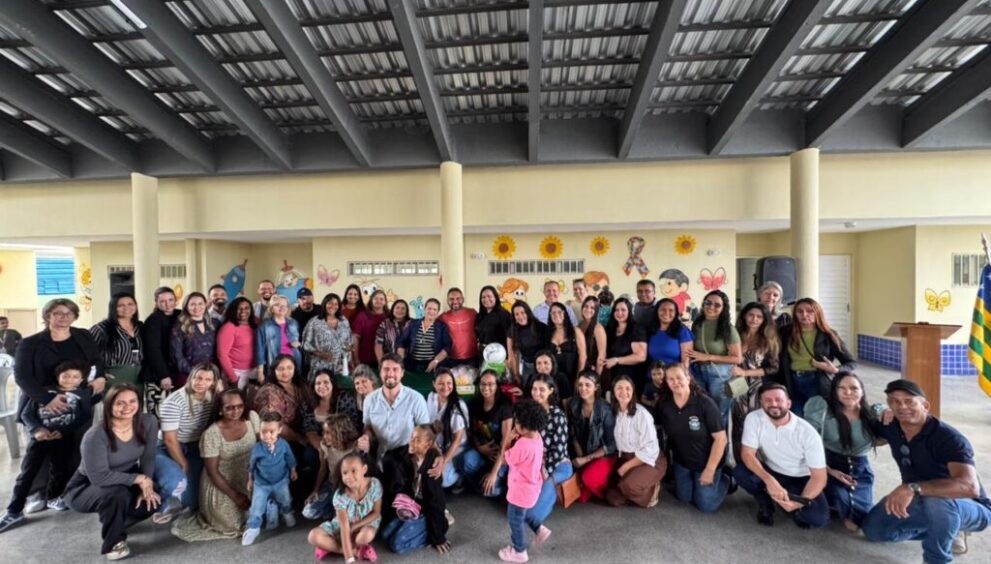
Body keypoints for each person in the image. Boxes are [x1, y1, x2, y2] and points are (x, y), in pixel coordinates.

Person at [862, 379, 991, 563]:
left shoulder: (949, 438)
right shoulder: (892, 426)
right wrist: (880, 409)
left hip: (967, 505)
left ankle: (936, 558)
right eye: (895, 401)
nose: (902, 407)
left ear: (925, 406)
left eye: (909, 401)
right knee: (874, 530)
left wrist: (911, 488)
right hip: (920, 498)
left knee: (937, 502)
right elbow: (866, 411)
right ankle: (948, 528)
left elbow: (969, 487)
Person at [13, 298, 104, 514]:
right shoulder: (31, 343)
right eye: (58, 313)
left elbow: (96, 361)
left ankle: (66, 491)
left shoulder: (83, 335)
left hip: (77, 401)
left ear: (74, 316)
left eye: (68, 313)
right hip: (41, 403)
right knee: (41, 448)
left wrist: (99, 378)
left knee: (74, 446)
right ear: (48, 315)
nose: (64, 317)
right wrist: (47, 399)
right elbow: (22, 376)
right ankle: (37, 492)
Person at [63, 385, 160, 560]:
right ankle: (114, 542)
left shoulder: (148, 422)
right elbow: (99, 477)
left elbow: (148, 456)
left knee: (154, 496)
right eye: (120, 403)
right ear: (109, 405)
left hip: (124, 476)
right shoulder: (95, 435)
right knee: (116, 494)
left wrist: (147, 484)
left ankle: (118, 520)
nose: (127, 407)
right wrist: (139, 478)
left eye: (132, 401)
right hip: (85, 486)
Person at [0, 360, 97, 532]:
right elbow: (26, 414)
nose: (70, 379)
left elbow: (84, 416)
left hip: (63, 438)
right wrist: (37, 430)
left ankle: (53, 497)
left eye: (75, 376)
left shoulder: (82, 395)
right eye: (65, 376)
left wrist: (64, 431)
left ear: (82, 379)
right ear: (57, 376)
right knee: (28, 472)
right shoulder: (44, 392)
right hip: (40, 439)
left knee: (60, 470)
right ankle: (14, 509)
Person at [170, 388, 260, 542]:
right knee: (231, 525)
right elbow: (212, 472)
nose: (236, 411)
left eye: (239, 406)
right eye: (229, 408)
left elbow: (262, 447)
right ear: (220, 409)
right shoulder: (211, 434)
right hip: (222, 481)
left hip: (249, 475)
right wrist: (235, 496)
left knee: (262, 510)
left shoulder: (251, 418)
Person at [734, 383, 829, 528]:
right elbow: (747, 454)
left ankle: (793, 508)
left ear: (789, 403)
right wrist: (769, 480)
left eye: (779, 400)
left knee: (818, 518)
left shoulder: (808, 433)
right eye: (768, 400)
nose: (773, 404)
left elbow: (819, 477)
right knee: (741, 473)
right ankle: (765, 502)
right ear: (761, 403)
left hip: (800, 477)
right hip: (771, 470)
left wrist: (798, 504)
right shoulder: (753, 418)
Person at [804, 371, 881, 531]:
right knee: (840, 498)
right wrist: (829, 471)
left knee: (863, 518)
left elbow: (888, 417)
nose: (848, 392)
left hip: (860, 468)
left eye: (854, 388)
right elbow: (807, 445)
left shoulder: (872, 414)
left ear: (862, 391)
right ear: (835, 391)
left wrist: (886, 412)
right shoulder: (822, 410)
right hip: (829, 464)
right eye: (842, 388)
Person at [357, 353, 431, 503]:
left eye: (395, 369)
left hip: (408, 457)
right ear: (380, 372)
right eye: (386, 369)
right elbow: (368, 427)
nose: (390, 374)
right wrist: (365, 437)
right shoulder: (370, 400)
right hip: (381, 457)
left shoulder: (416, 399)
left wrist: (425, 461)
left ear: (402, 373)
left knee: (402, 500)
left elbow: (426, 433)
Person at [655, 364, 729, 513]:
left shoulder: (705, 403)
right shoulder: (664, 404)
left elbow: (721, 440)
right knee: (684, 498)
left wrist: (709, 470)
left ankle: (726, 479)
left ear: (688, 378)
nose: (676, 382)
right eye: (671, 379)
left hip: (706, 462)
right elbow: (656, 428)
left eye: (679, 378)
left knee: (705, 506)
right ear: (666, 382)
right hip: (682, 462)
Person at [153, 362, 219, 524]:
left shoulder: (212, 397)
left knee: (193, 501)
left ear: (213, 383)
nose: (201, 383)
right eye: (198, 378)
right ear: (191, 377)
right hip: (169, 446)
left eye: (207, 380)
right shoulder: (175, 401)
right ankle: (161, 502)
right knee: (175, 480)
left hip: (195, 446)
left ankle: (183, 497)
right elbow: (169, 439)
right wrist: (183, 463)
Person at [778, 297, 855, 417]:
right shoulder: (784, 333)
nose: (804, 315)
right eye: (800, 311)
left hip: (817, 383)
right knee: (795, 417)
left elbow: (850, 362)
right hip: (791, 382)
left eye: (809, 311)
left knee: (815, 419)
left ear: (817, 313)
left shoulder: (829, 334)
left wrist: (835, 370)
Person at [381, 424, 451, 555]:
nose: (411, 442)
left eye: (417, 440)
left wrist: (438, 537)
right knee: (385, 535)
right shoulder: (409, 454)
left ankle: (439, 528)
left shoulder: (433, 469)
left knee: (397, 545)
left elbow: (436, 503)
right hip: (413, 507)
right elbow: (390, 456)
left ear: (427, 445)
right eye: (412, 438)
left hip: (428, 511)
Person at [498, 399, 549, 563]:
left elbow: (504, 460)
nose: (515, 425)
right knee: (523, 513)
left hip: (520, 491)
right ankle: (539, 528)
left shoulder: (522, 445)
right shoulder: (537, 437)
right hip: (532, 487)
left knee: (514, 518)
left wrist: (507, 441)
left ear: (524, 427)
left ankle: (519, 551)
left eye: (517, 422)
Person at [308, 451, 383, 563]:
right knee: (313, 536)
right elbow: (344, 527)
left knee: (365, 536)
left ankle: (329, 547)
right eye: (345, 473)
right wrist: (350, 559)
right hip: (344, 525)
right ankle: (355, 552)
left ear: (364, 469)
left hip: (366, 523)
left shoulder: (374, 484)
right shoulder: (340, 496)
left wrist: (355, 526)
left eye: (354, 471)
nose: (349, 477)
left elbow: (376, 512)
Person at [730, 302, 781, 460]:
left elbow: (773, 368)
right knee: (738, 424)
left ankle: (758, 461)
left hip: (755, 387)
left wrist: (745, 372)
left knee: (755, 423)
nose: (754, 319)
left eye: (759, 317)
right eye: (751, 315)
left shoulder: (768, 339)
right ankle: (740, 461)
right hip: (735, 385)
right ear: (744, 316)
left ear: (764, 320)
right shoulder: (734, 334)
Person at [606, 376, 665, 508]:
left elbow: (650, 448)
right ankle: (636, 487)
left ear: (633, 391)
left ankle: (652, 488)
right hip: (625, 457)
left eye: (628, 388)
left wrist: (625, 467)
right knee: (613, 498)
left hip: (649, 459)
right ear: (613, 392)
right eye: (619, 388)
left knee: (628, 486)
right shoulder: (614, 412)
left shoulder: (642, 414)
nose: (623, 392)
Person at [253, 354, 321, 467]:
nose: (285, 372)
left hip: (308, 430)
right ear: (274, 370)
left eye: (289, 368)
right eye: (281, 369)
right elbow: (273, 423)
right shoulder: (269, 391)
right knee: (310, 455)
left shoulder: (300, 385)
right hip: (284, 438)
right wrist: (300, 438)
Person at [242, 411, 298, 546]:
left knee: (285, 499)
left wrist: (293, 470)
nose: (267, 436)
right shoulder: (257, 449)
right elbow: (251, 465)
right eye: (263, 432)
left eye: (271, 432)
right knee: (257, 506)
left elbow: (290, 458)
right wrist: (250, 480)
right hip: (261, 484)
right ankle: (253, 528)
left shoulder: (284, 445)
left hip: (281, 481)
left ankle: (287, 512)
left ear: (279, 430)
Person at [687, 290, 742, 423]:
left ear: (723, 308)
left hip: (719, 376)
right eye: (708, 303)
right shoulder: (697, 324)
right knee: (702, 411)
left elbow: (737, 358)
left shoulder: (728, 328)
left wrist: (708, 357)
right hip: (699, 373)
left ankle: (721, 438)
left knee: (719, 414)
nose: (711, 307)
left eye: (717, 305)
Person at [528, 374, 573, 527]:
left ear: (551, 391)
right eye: (534, 389)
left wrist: (542, 472)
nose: (537, 393)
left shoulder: (558, 416)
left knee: (532, 515)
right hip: (533, 464)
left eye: (542, 389)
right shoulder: (529, 412)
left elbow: (558, 452)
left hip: (557, 465)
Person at [461, 369, 513, 497]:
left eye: (490, 384)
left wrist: (494, 473)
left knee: (492, 491)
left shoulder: (505, 405)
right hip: (482, 452)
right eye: (483, 384)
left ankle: (498, 482)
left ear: (497, 385)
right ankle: (480, 482)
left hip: (500, 456)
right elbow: (472, 432)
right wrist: (480, 448)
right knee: (466, 461)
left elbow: (506, 442)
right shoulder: (474, 404)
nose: (486, 387)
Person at [568, 370, 616, 503]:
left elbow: (611, 445)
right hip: (583, 453)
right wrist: (580, 455)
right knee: (580, 497)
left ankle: (605, 482)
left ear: (596, 387)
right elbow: (573, 433)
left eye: (587, 385)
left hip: (603, 455)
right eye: (580, 384)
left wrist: (586, 459)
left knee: (588, 479)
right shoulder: (574, 404)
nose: (583, 388)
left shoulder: (605, 409)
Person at [303, 413, 359, 521]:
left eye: (328, 433)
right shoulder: (325, 447)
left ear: (340, 432)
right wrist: (315, 490)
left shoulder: (354, 449)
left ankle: (337, 511)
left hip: (347, 489)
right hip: (331, 486)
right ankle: (331, 509)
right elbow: (323, 469)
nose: (324, 436)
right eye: (324, 432)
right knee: (308, 512)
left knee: (340, 520)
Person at [89, 293, 144, 399]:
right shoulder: (101, 329)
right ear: (113, 308)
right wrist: (99, 374)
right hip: (114, 376)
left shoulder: (140, 326)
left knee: (134, 406)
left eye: (130, 304)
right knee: (114, 405)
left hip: (138, 377)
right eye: (120, 305)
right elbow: (88, 353)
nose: (126, 308)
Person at [427, 368, 469, 489]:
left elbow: (457, 440)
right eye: (441, 383)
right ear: (434, 384)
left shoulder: (457, 406)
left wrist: (443, 461)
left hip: (455, 448)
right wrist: (437, 452)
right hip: (437, 445)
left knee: (442, 479)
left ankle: (459, 476)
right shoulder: (431, 397)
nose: (445, 387)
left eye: (449, 383)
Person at [140, 287, 180, 414]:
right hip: (159, 375)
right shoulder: (153, 320)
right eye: (163, 301)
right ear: (156, 303)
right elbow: (153, 350)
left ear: (176, 300)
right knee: (160, 413)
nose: (167, 304)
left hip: (176, 372)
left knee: (175, 412)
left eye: (170, 300)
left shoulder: (180, 315)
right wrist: (163, 375)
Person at [601, 297, 647, 393]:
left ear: (629, 311)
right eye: (616, 310)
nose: (619, 313)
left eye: (623, 310)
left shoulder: (636, 329)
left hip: (631, 379)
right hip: (612, 379)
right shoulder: (609, 329)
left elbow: (641, 356)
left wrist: (617, 360)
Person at [170, 293, 216, 387]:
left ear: (205, 304)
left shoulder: (214, 323)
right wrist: (195, 372)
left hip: (210, 374)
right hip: (189, 375)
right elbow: (177, 356)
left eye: (200, 303)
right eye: (192, 304)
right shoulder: (179, 327)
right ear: (186, 306)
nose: (197, 307)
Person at [302, 293, 351, 380]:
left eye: (336, 304)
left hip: (340, 366)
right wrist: (320, 354)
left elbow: (348, 341)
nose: (333, 306)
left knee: (339, 387)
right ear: (324, 304)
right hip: (320, 366)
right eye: (330, 303)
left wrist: (348, 357)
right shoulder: (314, 322)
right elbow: (306, 345)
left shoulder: (343, 320)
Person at [396, 298, 451, 374]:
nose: (431, 311)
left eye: (435, 309)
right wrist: (401, 360)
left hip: (432, 366)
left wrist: (436, 361)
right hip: (412, 365)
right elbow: (401, 342)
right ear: (424, 309)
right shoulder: (413, 324)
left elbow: (447, 346)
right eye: (429, 308)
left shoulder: (442, 327)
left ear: (438, 312)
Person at [255, 295, 302, 379]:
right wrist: (260, 371)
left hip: (294, 362)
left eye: (284, 305)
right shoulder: (264, 325)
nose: (281, 307)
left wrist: (298, 344)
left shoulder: (294, 323)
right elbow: (260, 349)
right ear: (271, 308)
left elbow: (301, 342)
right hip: (275, 364)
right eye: (277, 305)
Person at [215, 296, 257, 389]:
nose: (243, 311)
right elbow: (222, 355)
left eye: (246, 308)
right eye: (239, 308)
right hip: (236, 372)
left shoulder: (255, 323)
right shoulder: (228, 327)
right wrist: (233, 377)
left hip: (254, 371)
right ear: (233, 310)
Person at [506, 301, 546, 394]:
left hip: (542, 366)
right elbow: (512, 355)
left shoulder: (541, 327)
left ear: (528, 312)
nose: (520, 316)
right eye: (516, 314)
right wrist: (516, 374)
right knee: (525, 391)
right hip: (527, 366)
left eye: (523, 312)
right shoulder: (512, 330)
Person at [545, 302, 586, 385]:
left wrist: (578, 377)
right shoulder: (548, 333)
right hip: (554, 377)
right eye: (553, 313)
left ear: (565, 314)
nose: (556, 315)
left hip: (572, 375)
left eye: (559, 312)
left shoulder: (575, 331)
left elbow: (583, 356)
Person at [439, 287, 478, 367]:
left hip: (473, 358)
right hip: (452, 359)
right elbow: (430, 322)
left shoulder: (472, 313)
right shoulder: (443, 317)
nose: (455, 301)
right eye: (451, 299)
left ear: (463, 299)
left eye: (458, 298)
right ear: (447, 301)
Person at [352, 289, 388, 370]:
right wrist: (356, 359)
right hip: (365, 358)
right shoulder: (362, 315)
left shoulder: (389, 316)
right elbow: (355, 337)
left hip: (385, 359)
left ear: (385, 302)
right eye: (376, 298)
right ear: (371, 300)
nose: (378, 301)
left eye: (381, 299)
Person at [476, 285, 512, 353]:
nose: (486, 299)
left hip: (499, 354)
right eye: (483, 297)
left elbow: (511, 337)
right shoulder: (480, 316)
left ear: (496, 297)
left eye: (489, 296)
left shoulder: (504, 315)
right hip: (483, 354)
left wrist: (510, 355)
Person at [577, 296, 606, 374]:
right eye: (586, 306)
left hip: (591, 371)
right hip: (578, 367)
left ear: (596, 311)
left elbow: (602, 355)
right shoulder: (580, 324)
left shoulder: (598, 328)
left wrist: (597, 376)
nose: (588, 310)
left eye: (592, 308)